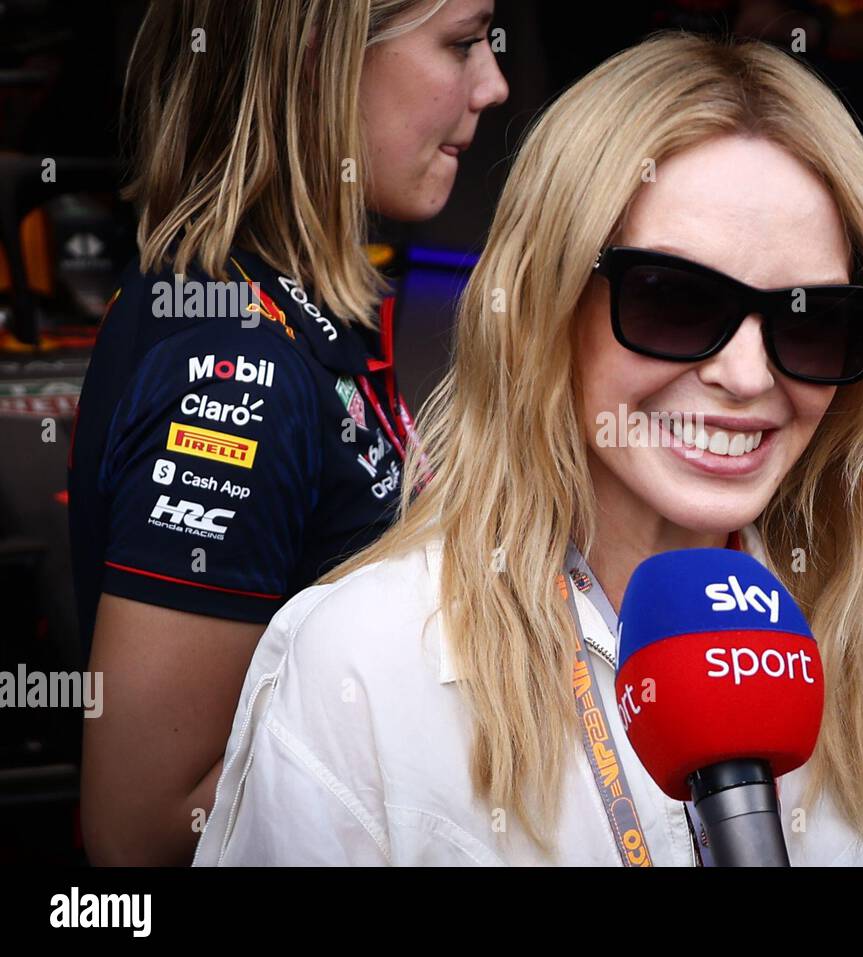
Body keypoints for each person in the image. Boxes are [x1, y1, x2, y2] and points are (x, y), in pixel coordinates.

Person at [194, 31, 863, 867]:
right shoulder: (360, 661)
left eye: (813, 320)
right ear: (547, 306)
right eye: (675, 300)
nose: (748, 375)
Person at [68, 0, 508, 865]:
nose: (494, 84)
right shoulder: (234, 363)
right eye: (460, 42)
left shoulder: (283, 306)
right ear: (319, 57)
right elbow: (141, 832)